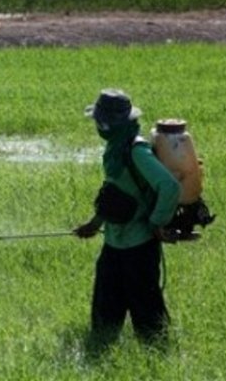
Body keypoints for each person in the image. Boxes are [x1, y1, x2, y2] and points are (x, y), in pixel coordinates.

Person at [74, 88, 181, 348]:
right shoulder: (115, 149)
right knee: (105, 307)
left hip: (139, 244)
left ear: (111, 123)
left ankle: (157, 353)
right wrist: (96, 222)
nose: (98, 126)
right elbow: (115, 192)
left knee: (146, 308)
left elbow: (169, 186)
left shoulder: (136, 151)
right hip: (114, 240)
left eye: (101, 121)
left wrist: (156, 222)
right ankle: (100, 347)